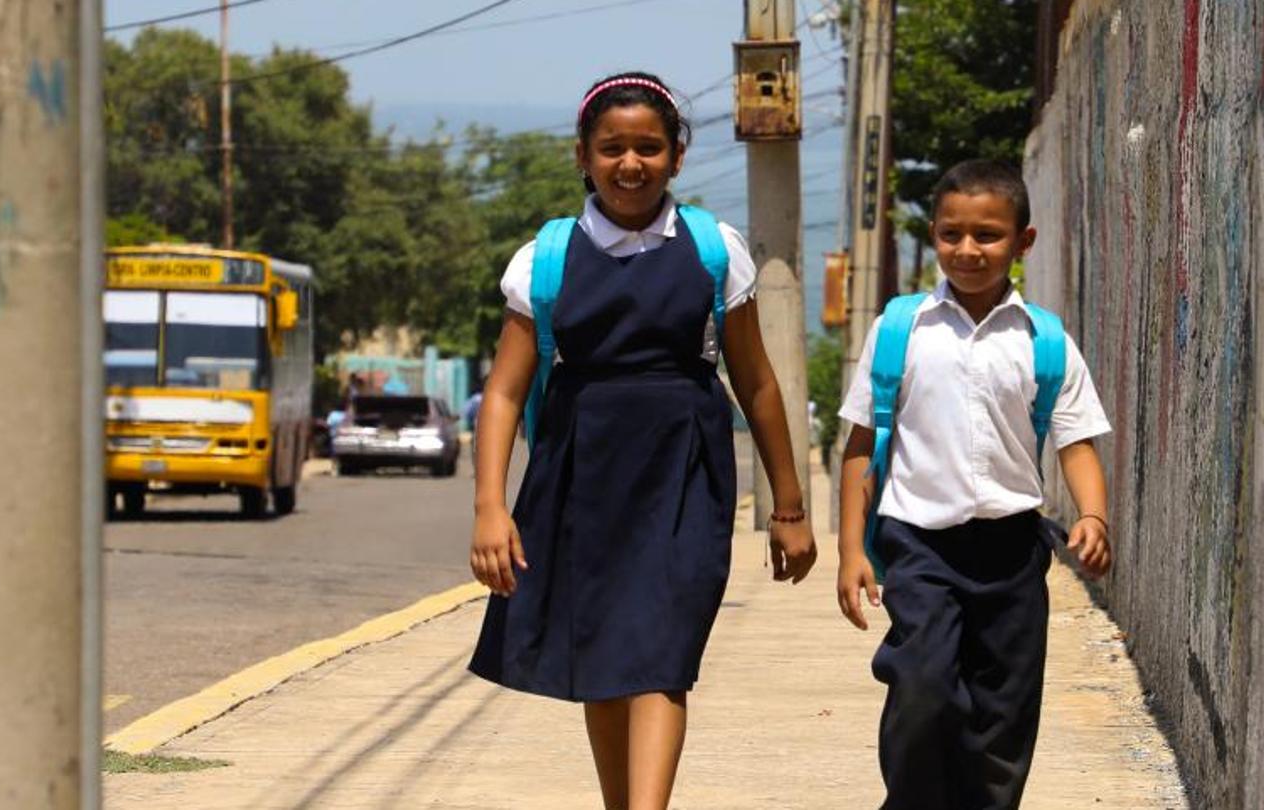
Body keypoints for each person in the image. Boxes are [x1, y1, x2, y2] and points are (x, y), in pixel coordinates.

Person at [467, 71, 817, 810]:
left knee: (662, 651)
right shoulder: (547, 259)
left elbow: (756, 383)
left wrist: (789, 505)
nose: (631, 164)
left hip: (686, 470)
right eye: (613, 148)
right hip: (580, 473)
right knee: (603, 655)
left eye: (649, 148)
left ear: (677, 157)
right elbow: (502, 391)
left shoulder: (713, 250)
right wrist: (490, 508)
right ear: (583, 157)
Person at [834, 159, 1114, 809]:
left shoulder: (1044, 340)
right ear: (934, 234)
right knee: (924, 689)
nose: (967, 250)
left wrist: (1093, 518)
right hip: (919, 545)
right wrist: (853, 550)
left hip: (1013, 550)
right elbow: (859, 446)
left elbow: (1075, 440)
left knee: (1002, 714)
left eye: (987, 235)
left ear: (1023, 242)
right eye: (951, 234)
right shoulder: (901, 331)